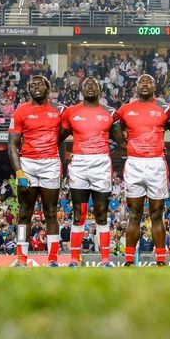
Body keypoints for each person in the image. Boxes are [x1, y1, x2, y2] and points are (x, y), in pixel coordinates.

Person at [59, 77, 125, 267]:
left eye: (94, 85)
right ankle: (73, 259)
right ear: (81, 89)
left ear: (100, 90)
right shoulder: (71, 112)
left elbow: (122, 142)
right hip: (79, 164)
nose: (90, 87)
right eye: (86, 85)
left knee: (102, 214)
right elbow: (58, 139)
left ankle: (105, 260)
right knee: (79, 214)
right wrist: (66, 158)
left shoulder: (110, 112)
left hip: (101, 164)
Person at [117, 74, 170, 266]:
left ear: (155, 86)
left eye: (148, 82)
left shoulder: (165, 108)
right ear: (135, 87)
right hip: (134, 163)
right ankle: (129, 261)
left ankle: (160, 260)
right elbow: (116, 131)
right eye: (141, 81)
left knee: (156, 215)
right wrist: (126, 145)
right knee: (134, 214)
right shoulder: (125, 109)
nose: (145, 84)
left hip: (156, 164)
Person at [8, 75, 66, 267]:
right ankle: (21, 258)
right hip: (28, 165)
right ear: (28, 90)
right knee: (24, 213)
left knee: (50, 212)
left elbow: (69, 134)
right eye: (32, 85)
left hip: (50, 163)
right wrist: (19, 172)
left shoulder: (60, 110)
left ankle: (53, 260)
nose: (36, 87)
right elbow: (12, 145)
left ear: (48, 89)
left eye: (40, 84)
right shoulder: (21, 111)